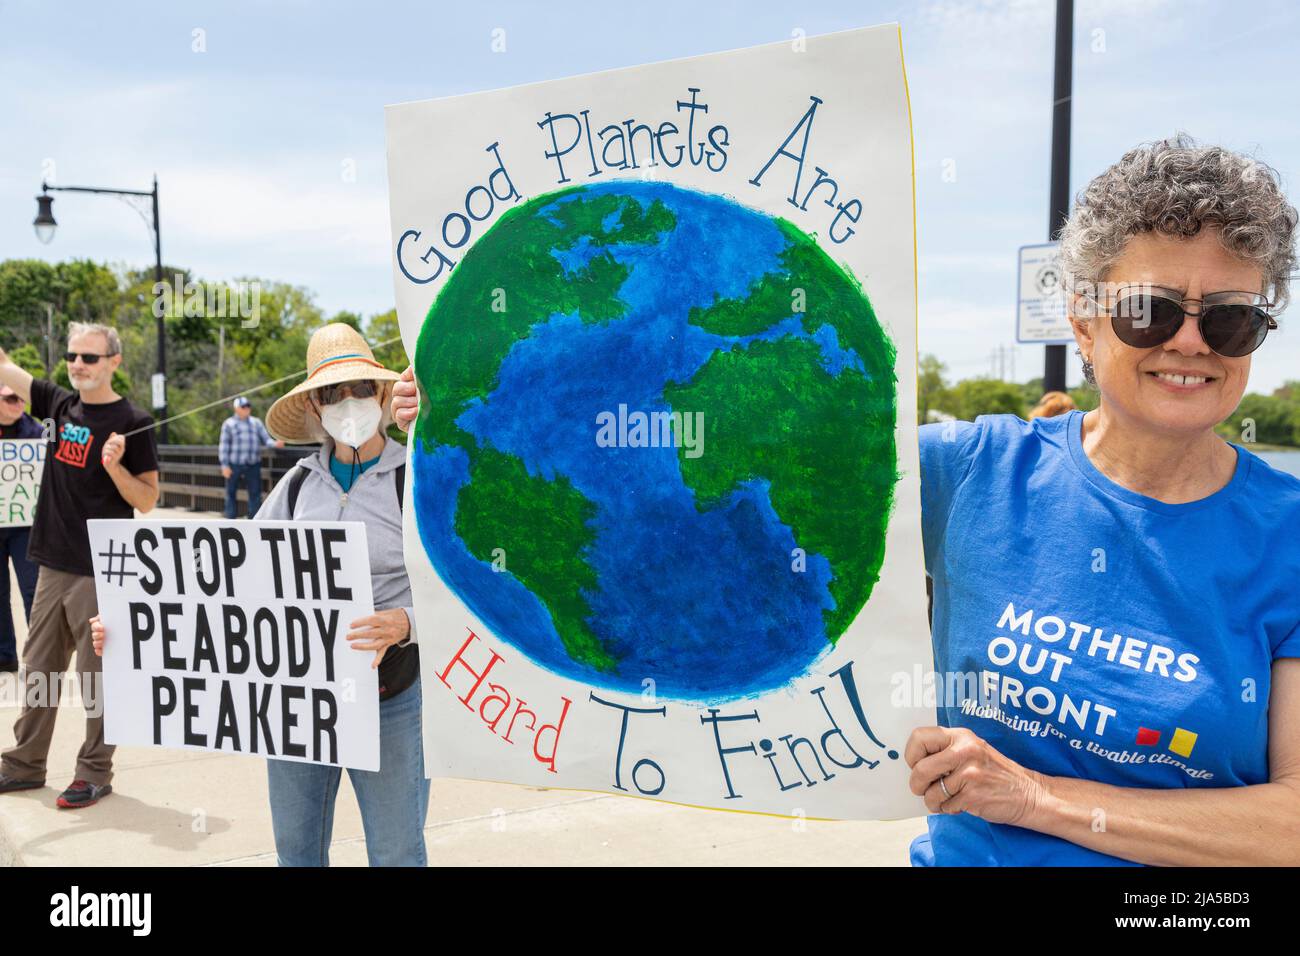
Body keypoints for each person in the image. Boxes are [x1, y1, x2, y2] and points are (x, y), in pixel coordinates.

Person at [905, 135, 1300, 865]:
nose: (1190, 343)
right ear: (1083, 322)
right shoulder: (966, 473)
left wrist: (1033, 798)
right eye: (1148, 311)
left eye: (1228, 319)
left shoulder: (1290, 536)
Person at [0, 323, 159, 808]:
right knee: (39, 669)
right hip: (51, 562)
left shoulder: (133, 419)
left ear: (114, 361)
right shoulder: (59, 403)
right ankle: (25, 765)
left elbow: (149, 499)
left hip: (102, 570)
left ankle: (94, 771)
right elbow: (5, 368)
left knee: (96, 677)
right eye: (72, 356)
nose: (77, 365)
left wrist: (115, 467)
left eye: (89, 357)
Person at [0, 384, 43, 673]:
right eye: (10, 398)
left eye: (21, 397)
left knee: (33, 591)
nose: (18, 403)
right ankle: (5, 655)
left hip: (25, 525)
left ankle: (41, 655)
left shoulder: (38, 434)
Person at [218, 396, 281, 518]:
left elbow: (266, 439)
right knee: (230, 493)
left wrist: (275, 444)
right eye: (243, 407)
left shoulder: (256, 422)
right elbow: (224, 446)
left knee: (255, 493)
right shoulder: (229, 424)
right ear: (236, 409)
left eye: (248, 406)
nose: (247, 408)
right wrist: (224, 465)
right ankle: (230, 521)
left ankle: (254, 520)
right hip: (234, 464)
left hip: (253, 464)